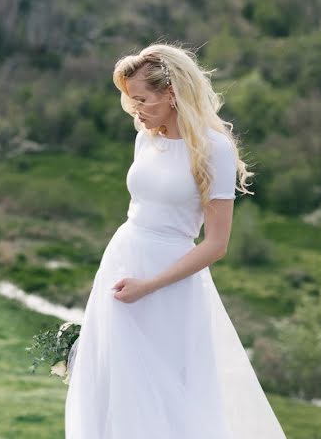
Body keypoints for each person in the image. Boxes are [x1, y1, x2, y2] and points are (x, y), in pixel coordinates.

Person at [64, 43, 287, 438]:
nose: (135, 108)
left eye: (142, 99)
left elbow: (216, 244)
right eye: (130, 100)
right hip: (121, 259)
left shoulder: (213, 149)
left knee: (168, 388)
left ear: (171, 93)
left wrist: (149, 285)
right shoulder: (145, 138)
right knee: (115, 380)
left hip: (168, 280)